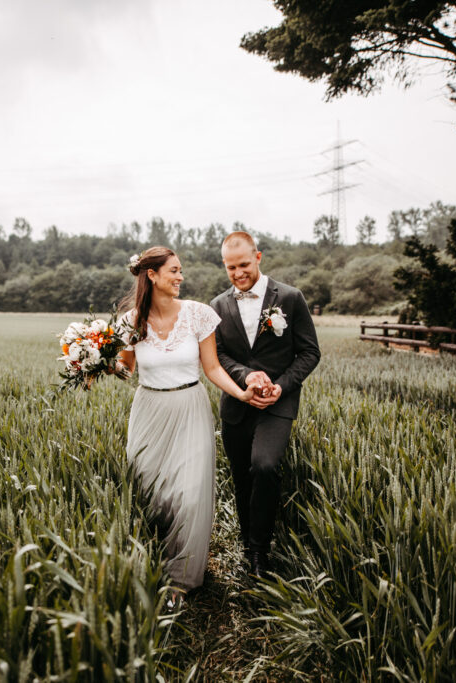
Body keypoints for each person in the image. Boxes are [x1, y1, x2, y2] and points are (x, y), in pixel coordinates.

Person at [116, 246, 255, 606]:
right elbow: (125, 370)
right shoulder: (131, 321)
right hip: (149, 411)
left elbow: (213, 368)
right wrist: (91, 361)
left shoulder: (198, 314)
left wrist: (241, 393)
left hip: (191, 407)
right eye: (174, 270)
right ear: (152, 275)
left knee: (190, 495)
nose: (181, 277)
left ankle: (181, 578)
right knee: (151, 494)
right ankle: (149, 563)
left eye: (180, 270)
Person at [209, 231, 321, 578]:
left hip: (277, 405)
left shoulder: (290, 298)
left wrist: (281, 386)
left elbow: (310, 352)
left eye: (244, 264)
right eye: (231, 268)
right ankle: (248, 545)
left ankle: (260, 552)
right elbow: (218, 355)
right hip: (236, 406)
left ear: (258, 257)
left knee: (265, 466)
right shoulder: (218, 306)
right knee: (242, 477)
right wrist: (245, 376)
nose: (238, 273)